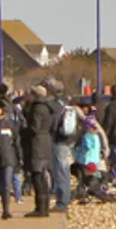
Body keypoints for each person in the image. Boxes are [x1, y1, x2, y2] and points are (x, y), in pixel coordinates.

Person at [21, 84, 56, 216]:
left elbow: (34, 127)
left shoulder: (37, 108)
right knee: (41, 176)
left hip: (37, 144)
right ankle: (44, 207)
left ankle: (41, 208)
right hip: (44, 142)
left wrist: (23, 131)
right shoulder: (47, 107)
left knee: (37, 176)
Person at [46, 78, 75, 210]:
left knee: (60, 171)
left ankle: (62, 201)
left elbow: (51, 124)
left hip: (57, 140)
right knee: (64, 170)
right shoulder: (65, 103)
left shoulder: (52, 105)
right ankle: (64, 198)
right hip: (66, 139)